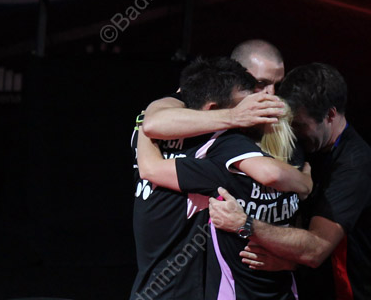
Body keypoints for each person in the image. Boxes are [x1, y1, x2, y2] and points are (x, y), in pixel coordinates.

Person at [130, 57, 311, 300]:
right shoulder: (217, 147)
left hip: (159, 286)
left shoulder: (151, 134)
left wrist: (142, 124)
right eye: (261, 85)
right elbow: (272, 174)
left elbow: (152, 131)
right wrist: (305, 182)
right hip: (174, 289)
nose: (265, 96)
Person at [209, 63, 371, 300]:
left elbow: (316, 249)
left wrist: (245, 224)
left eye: (300, 125)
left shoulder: (354, 165)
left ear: (330, 115)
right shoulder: (306, 144)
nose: (292, 133)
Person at [142, 40, 285, 141]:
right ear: (239, 75)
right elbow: (152, 124)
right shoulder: (192, 97)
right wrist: (234, 116)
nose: (271, 93)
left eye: (277, 85)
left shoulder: (274, 122)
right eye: (261, 83)